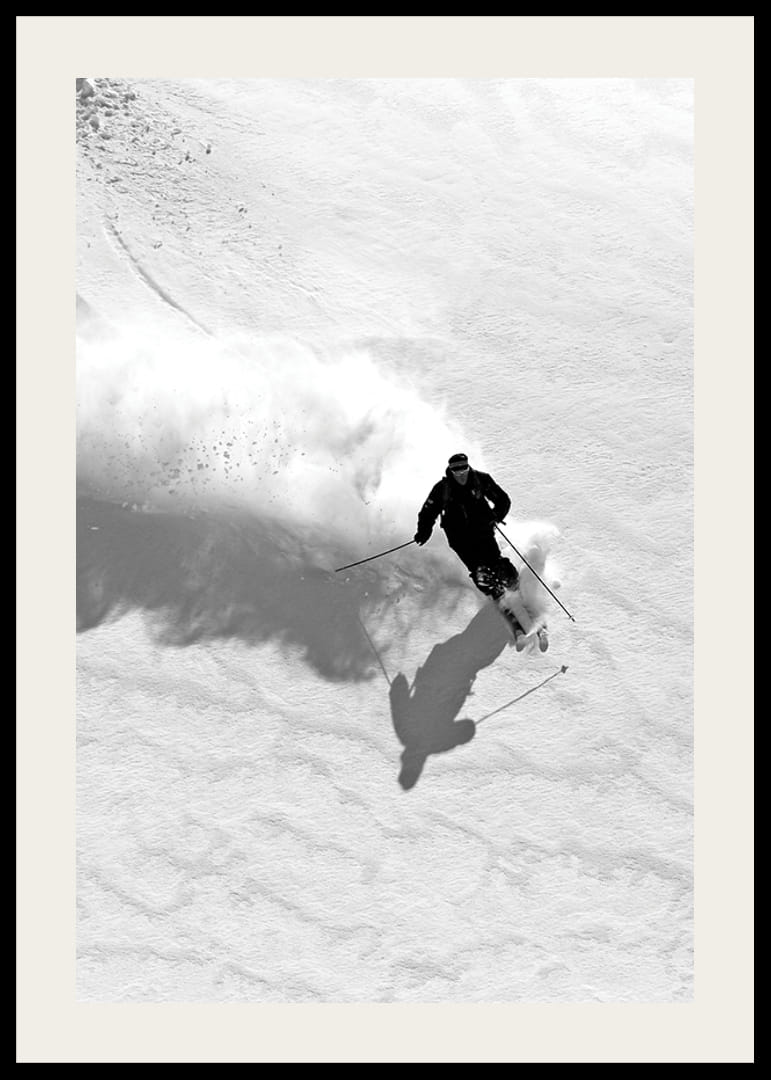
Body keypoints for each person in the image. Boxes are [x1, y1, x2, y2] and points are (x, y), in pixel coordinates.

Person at [413, 453, 519, 600]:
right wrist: (424, 531)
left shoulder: (481, 480)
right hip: (458, 536)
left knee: (497, 564)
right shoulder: (442, 489)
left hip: (483, 529)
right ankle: (496, 594)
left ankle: (516, 588)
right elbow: (427, 512)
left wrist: (496, 515)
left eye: (464, 469)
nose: (461, 474)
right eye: (456, 471)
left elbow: (503, 499)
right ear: (451, 471)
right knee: (479, 571)